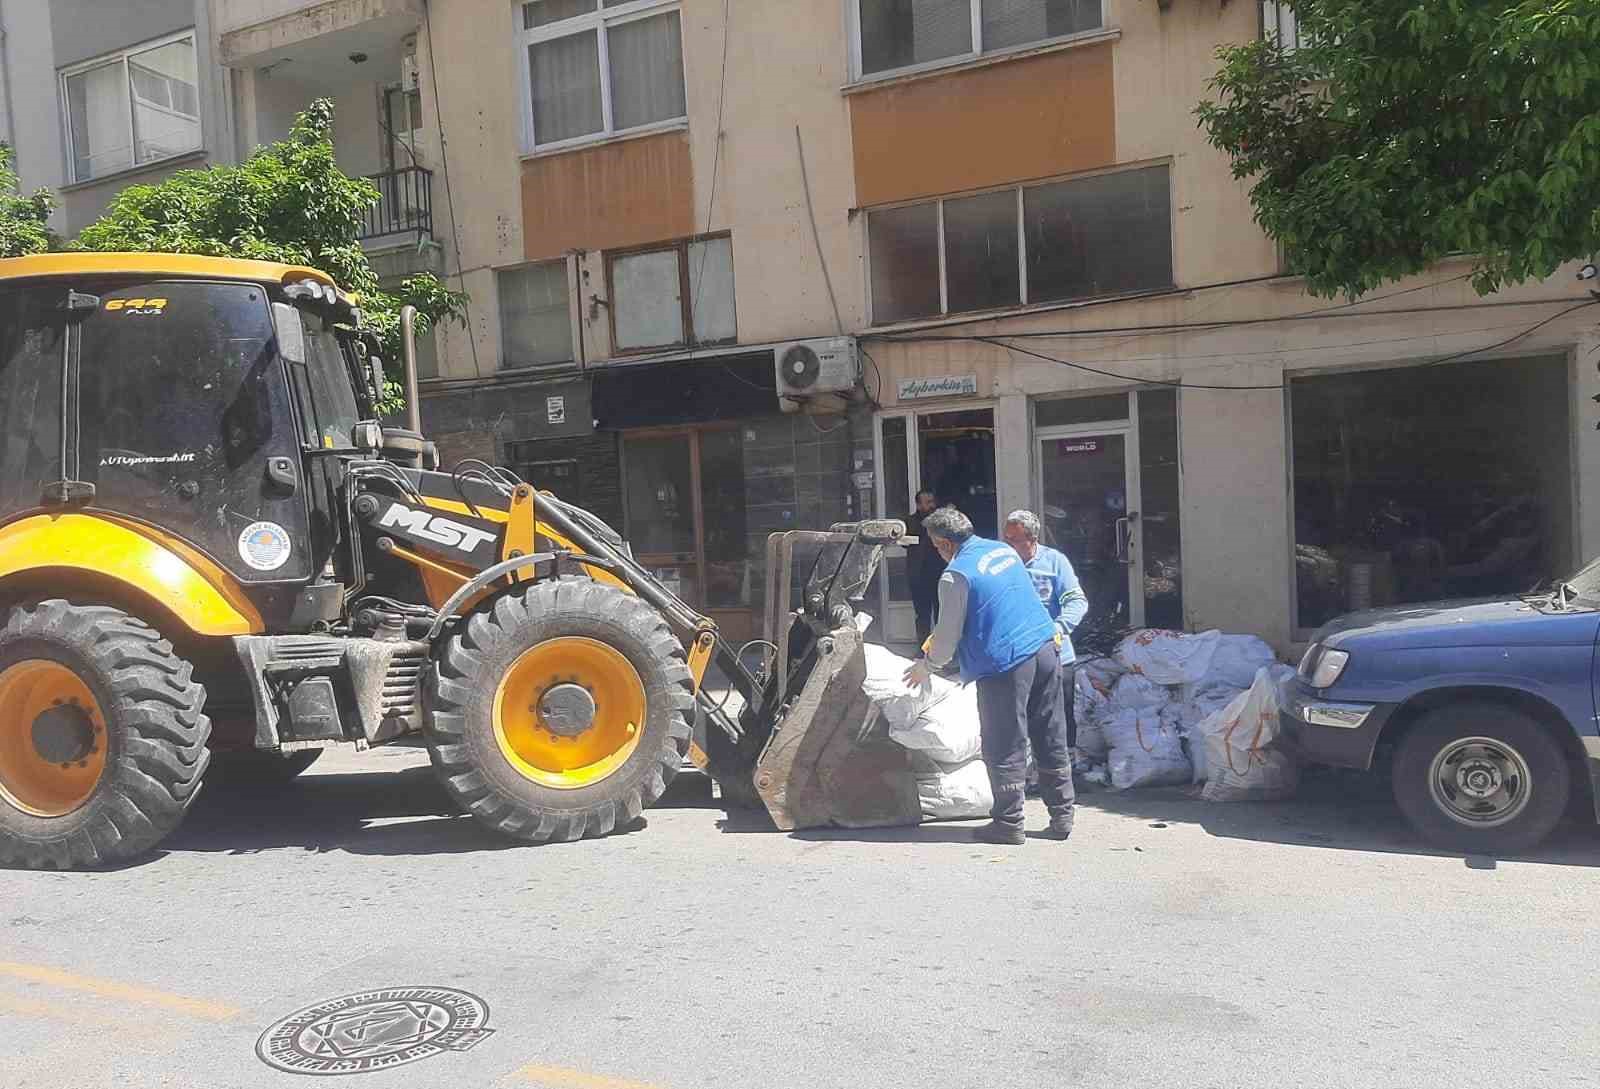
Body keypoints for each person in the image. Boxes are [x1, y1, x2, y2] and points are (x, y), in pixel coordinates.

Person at [902, 507, 1075, 845]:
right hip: (1044, 648)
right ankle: (1062, 815)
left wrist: (927, 665)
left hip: (1006, 662)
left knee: (1004, 741)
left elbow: (947, 638)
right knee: (1049, 732)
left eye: (936, 546)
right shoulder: (1001, 550)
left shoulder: (956, 575)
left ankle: (1009, 823)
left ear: (944, 543)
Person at [1001, 510, 1089, 756]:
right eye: (1005, 538)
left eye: (1014, 540)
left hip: (1055, 653)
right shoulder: (1002, 565)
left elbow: (1076, 601)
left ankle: (1066, 766)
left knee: (1058, 714)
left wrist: (1059, 628)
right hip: (1017, 654)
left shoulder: (1054, 562)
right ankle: (1028, 768)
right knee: (1020, 714)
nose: (1007, 545)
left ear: (1032, 540)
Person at [904, 489, 945, 645]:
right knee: (922, 616)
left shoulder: (941, 521)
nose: (930, 506)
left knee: (941, 615)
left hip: (940, 574)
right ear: (918, 504)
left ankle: (941, 650)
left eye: (932, 502)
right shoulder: (911, 521)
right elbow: (905, 543)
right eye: (926, 502)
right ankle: (923, 650)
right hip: (919, 576)